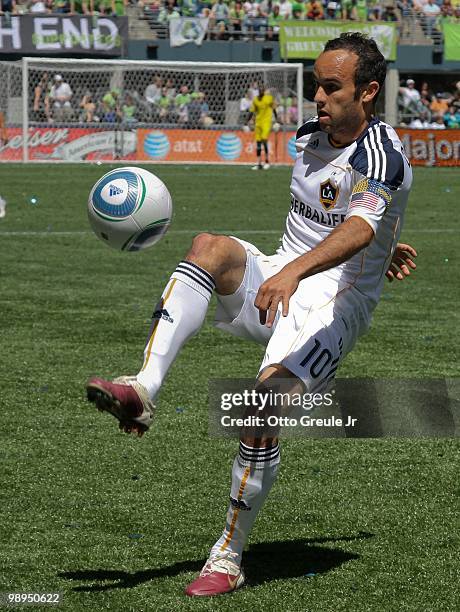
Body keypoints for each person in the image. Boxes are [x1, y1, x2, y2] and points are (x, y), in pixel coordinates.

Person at [86, 33, 417, 598]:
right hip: (279, 279)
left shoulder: (382, 153)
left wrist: (365, 248)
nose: (317, 96)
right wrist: (341, 254)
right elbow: (349, 221)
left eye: (331, 87)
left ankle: (228, 557)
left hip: (333, 304)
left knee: (259, 408)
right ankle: (142, 389)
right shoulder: (310, 136)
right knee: (208, 246)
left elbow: (361, 226)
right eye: (316, 83)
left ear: (367, 92)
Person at [245, 84, 277, 170]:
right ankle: (258, 163)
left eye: (262, 90)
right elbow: (251, 111)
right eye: (260, 90)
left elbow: (274, 109)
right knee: (258, 142)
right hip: (258, 123)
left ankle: (267, 161)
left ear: (264, 91)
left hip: (266, 123)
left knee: (264, 140)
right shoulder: (256, 100)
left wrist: (276, 121)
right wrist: (246, 123)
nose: (261, 91)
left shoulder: (269, 98)